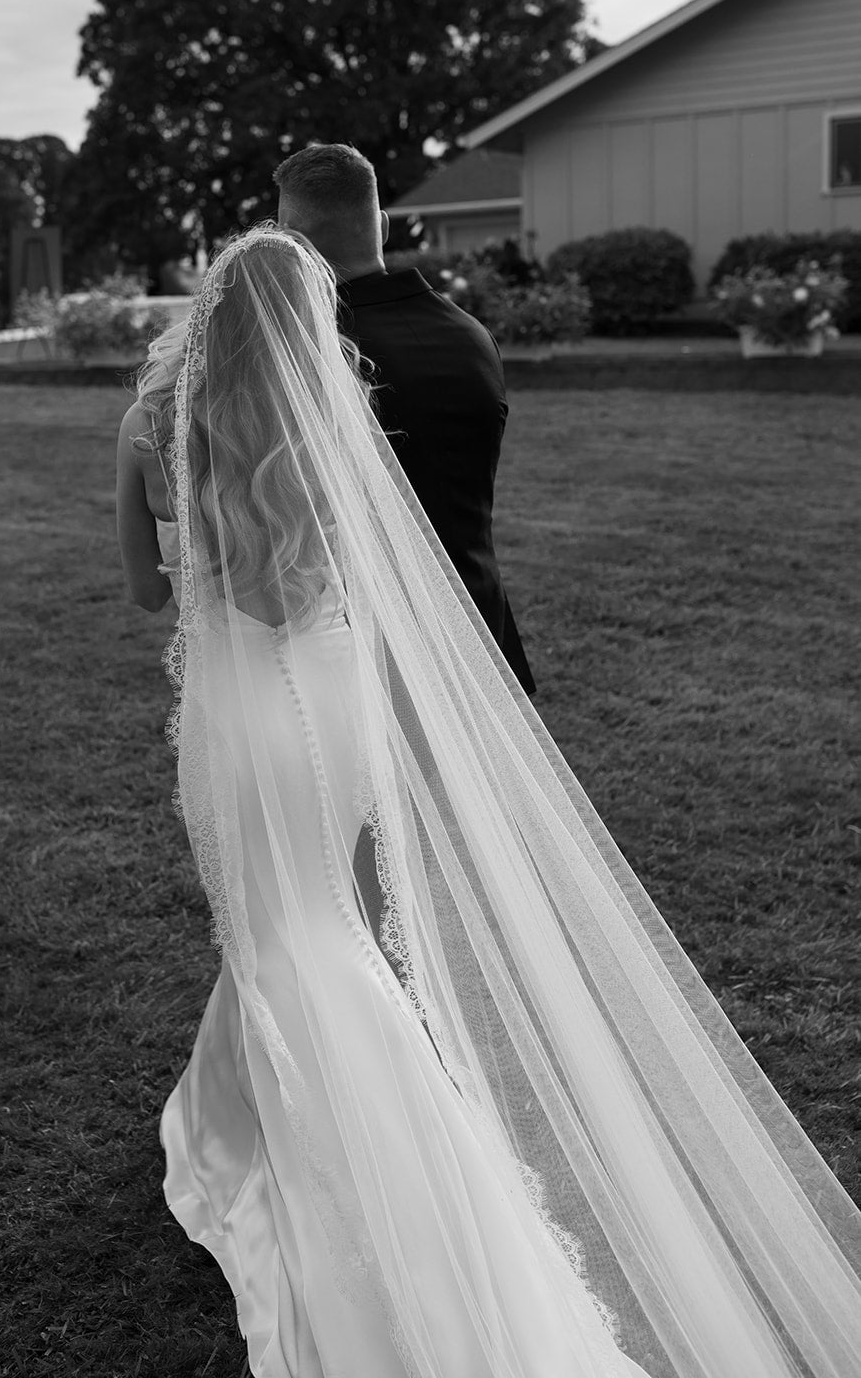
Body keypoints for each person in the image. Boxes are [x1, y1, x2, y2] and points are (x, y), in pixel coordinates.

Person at [116, 224, 861, 1378]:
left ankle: (344, 1128)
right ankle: (248, 1103)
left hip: (238, 711)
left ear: (211, 316)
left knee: (273, 925)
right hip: (331, 686)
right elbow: (380, 590)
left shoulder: (162, 434)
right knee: (335, 919)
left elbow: (142, 588)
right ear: (310, 327)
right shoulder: (336, 436)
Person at [274, 142, 535, 697]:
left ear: (292, 243)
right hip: (479, 625)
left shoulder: (312, 353)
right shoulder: (472, 334)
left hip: (368, 650)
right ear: (384, 226)